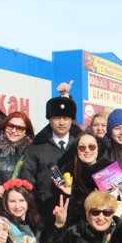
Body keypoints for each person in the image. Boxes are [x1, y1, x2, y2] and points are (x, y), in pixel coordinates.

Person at [21, 95, 82, 227]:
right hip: (45, 214)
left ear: (72, 120)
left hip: (77, 214)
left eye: (66, 118)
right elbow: (28, 182)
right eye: (56, 118)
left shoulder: (81, 145)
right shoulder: (35, 147)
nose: (61, 123)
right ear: (49, 119)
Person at [55, 132, 113, 229]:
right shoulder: (68, 173)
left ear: (98, 148)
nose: (87, 150)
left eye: (92, 146)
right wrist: (69, 194)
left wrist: (113, 193)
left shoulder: (110, 169)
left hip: (106, 226)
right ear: (76, 150)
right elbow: (64, 211)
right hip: (78, 229)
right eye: (82, 147)